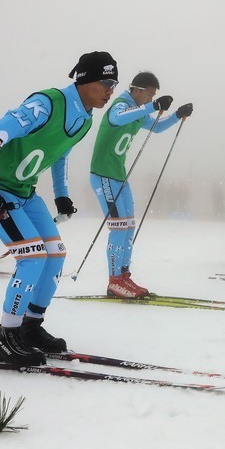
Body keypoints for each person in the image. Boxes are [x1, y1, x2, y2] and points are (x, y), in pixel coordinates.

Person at [0, 51, 117, 365]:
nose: (110, 90)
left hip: (23, 192)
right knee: (33, 258)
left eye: (113, 83)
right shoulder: (48, 103)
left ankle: (30, 327)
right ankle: (5, 338)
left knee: (55, 254)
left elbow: (60, 154)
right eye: (105, 82)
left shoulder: (86, 118)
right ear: (84, 80)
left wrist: (62, 195)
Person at [89, 71, 193, 298]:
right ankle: (113, 281)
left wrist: (177, 115)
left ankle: (123, 276)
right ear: (135, 89)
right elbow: (116, 118)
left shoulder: (137, 111)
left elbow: (156, 127)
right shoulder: (120, 105)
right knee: (118, 228)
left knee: (128, 228)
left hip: (119, 176)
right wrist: (152, 106)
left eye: (152, 96)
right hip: (104, 175)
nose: (149, 99)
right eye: (148, 95)